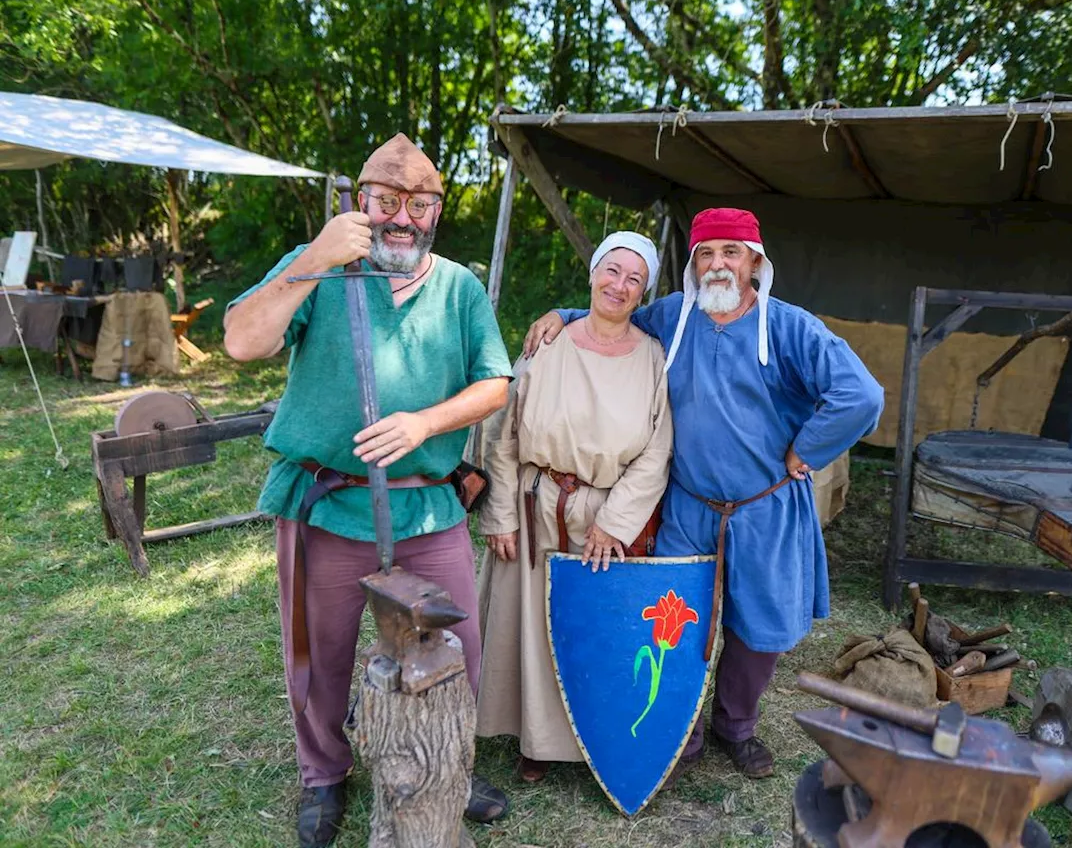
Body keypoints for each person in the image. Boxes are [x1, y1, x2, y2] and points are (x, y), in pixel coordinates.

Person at [523, 207, 885, 785]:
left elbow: (861, 396)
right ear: (693, 264)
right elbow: (615, 314)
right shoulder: (673, 316)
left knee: (756, 627)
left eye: (731, 253)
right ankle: (681, 726)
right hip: (688, 504)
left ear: (755, 263)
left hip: (766, 507)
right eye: (706, 254)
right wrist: (561, 314)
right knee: (674, 616)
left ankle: (735, 725)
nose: (718, 264)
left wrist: (808, 450)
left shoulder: (791, 327)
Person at [223, 134, 513, 847]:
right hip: (329, 502)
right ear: (360, 203)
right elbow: (240, 340)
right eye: (385, 202)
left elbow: (495, 382)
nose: (401, 219)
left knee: (456, 645)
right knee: (320, 653)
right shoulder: (318, 271)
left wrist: (425, 421)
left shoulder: (459, 288)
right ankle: (324, 772)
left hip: (426, 503)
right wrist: (315, 257)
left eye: (418, 204)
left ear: (436, 212)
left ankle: (449, 760)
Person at [475, 231, 673, 783]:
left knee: (593, 629)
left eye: (634, 279)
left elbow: (657, 452)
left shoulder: (653, 358)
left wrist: (614, 524)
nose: (620, 285)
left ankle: (594, 735)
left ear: (643, 293)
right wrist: (501, 514)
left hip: (605, 520)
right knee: (532, 627)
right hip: (536, 506)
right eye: (612, 271)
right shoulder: (547, 343)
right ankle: (535, 740)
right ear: (592, 274)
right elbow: (505, 434)